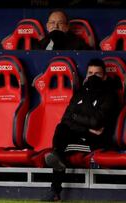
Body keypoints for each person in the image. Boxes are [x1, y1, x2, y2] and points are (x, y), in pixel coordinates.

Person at [42, 58, 121, 201]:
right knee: (61, 129)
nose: (93, 77)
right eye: (90, 73)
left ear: (104, 77)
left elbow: (96, 122)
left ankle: (54, 190)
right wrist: (87, 129)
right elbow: (66, 119)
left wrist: (75, 117)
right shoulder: (80, 93)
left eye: (97, 74)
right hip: (84, 135)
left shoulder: (110, 95)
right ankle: (55, 184)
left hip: (97, 141)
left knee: (60, 150)